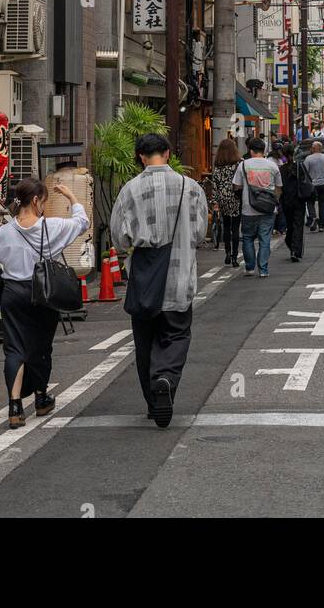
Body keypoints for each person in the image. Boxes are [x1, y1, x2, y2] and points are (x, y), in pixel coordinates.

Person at [110, 133, 208, 428]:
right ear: (167, 153)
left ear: (140, 156)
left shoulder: (130, 189)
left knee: (145, 342)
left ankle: (154, 403)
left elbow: (119, 237)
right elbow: (200, 232)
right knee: (177, 335)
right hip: (179, 278)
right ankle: (165, 378)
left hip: (144, 279)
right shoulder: (189, 187)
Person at [0, 178, 89, 429]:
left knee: (15, 349)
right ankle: (41, 397)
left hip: (13, 293)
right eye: (44, 202)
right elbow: (82, 223)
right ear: (37, 201)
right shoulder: (52, 227)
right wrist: (72, 197)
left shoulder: (4, 232)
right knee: (41, 346)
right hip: (43, 293)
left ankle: (15, 406)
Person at [233, 136, 282, 276]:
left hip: (248, 208)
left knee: (248, 237)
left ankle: (249, 268)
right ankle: (263, 270)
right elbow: (279, 187)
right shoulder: (272, 166)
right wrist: (275, 201)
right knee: (265, 238)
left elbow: (236, 186)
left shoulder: (243, 165)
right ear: (264, 150)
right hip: (268, 208)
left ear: (251, 150)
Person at [210, 135, 242, 267]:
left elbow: (214, 185)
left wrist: (215, 201)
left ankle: (227, 253)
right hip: (235, 196)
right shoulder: (238, 164)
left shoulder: (218, 166)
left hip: (222, 197)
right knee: (235, 227)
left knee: (226, 226)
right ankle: (235, 256)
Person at [279, 144, 309, 262]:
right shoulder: (299, 166)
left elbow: (278, 186)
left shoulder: (281, 169)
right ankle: (295, 251)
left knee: (290, 225)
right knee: (298, 225)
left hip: (286, 200)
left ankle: (291, 245)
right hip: (299, 199)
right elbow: (306, 181)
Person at [304, 140, 324, 231]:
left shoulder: (308, 159)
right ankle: (321, 225)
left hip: (312, 185)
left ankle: (313, 217)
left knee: (310, 202)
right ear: (321, 148)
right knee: (322, 203)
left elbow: (305, 172)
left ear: (313, 148)